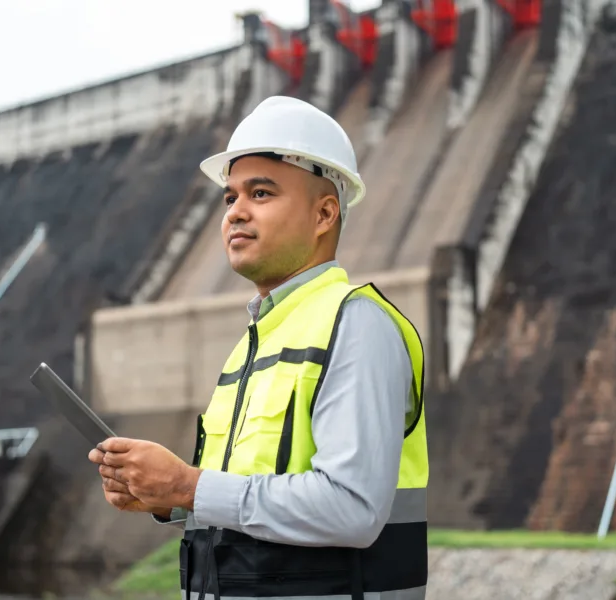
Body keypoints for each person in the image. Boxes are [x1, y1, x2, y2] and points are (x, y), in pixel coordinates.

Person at [88, 96, 429, 600]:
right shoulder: (258, 339)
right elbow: (245, 500)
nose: (235, 212)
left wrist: (189, 485)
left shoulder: (356, 325)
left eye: (261, 193)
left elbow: (353, 510)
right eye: (229, 198)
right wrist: (166, 498)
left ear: (324, 214)